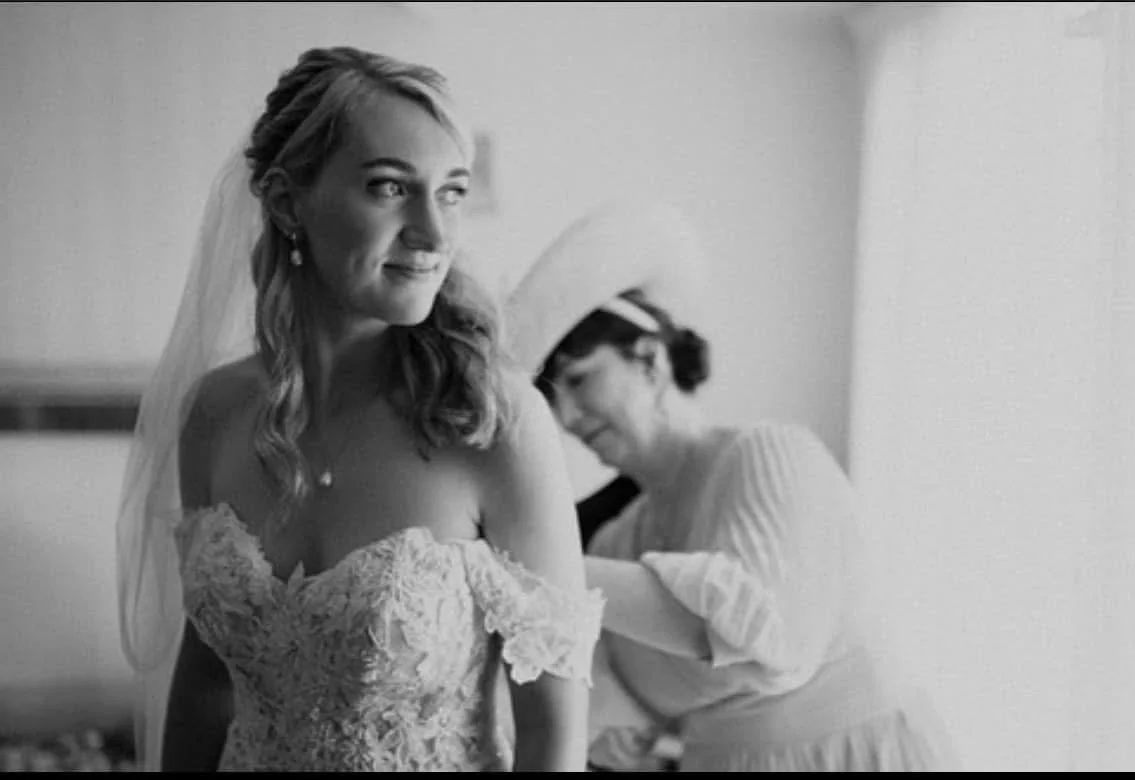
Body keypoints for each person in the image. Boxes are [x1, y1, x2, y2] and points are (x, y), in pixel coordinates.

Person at [115, 46, 603, 772]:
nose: (434, 234)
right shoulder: (214, 411)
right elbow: (206, 679)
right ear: (288, 203)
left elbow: (552, 738)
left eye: (451, 193)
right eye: (390, 187)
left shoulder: (491, 420)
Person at [505, 201, 960, 772]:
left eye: (579, 379)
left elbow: (763, 634)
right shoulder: (617, 542)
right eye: (552, 399)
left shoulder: (770, 455)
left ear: (650, 361)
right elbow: (611, 719)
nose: (567, 417)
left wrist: (532, 565)